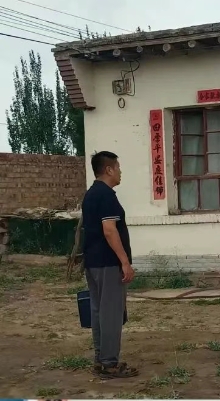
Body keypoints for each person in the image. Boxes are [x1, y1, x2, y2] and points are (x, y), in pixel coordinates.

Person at [82, 151, 138, 378]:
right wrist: (125, 262)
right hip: (108, 263)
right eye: (118, 167)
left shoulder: (91, 194)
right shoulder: (106, 195)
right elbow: (109, 230)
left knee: (98, 312)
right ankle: (109, 363)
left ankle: (100, 359)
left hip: (93, 263)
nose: (120, 172)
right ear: (109, 170)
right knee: (111, 314)